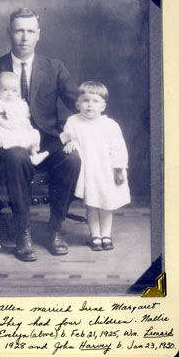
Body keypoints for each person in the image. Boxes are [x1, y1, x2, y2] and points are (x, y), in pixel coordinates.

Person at [0, 7, 81, 262]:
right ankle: (23, 230)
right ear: (9, 33)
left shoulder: (55, 67)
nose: (25, 37)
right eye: (19, 31)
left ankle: (55, 229)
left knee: (72, 159)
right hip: (7, 145)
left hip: (44, 141)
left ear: (38, 35)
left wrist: (85, 127)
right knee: (16, 157)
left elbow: (79, 104)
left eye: (30, 31)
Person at [63, 81, 130, 251]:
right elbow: (65, 136)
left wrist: (119, 169)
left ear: (103, 106)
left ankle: (106, 236)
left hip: (106, 171)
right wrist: (69, 141)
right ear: (77, 104)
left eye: (95, 101)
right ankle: (95, 236)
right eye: (85, 100)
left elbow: (119, 149)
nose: (89, 105)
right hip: (88, 171)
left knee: (107, 204)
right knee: (92, 204)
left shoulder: (110, 125)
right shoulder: (73, 121)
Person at [0, 71, 49, 166]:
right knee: (13, 139)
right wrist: (4, 123)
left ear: (19, 92)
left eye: (14, 90)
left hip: (20, 129)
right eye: (5, 90)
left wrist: (28, 126)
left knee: (34, 133)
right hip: (6, 130)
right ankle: (29, 157)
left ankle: (34, 155)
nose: (9, 94)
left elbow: (25, 117)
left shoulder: (20, 104)